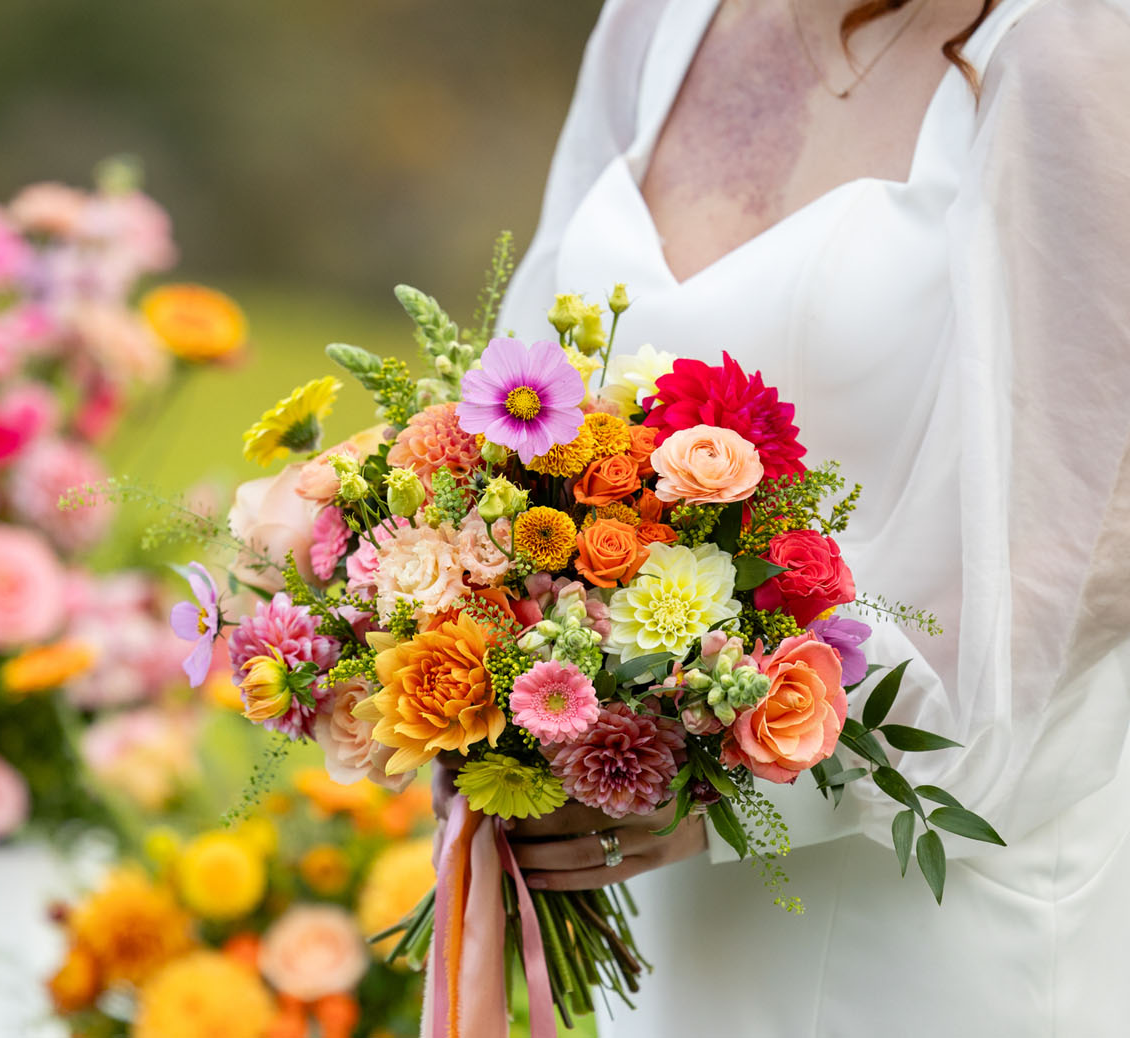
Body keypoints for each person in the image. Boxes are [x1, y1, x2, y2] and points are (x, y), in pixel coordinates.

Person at [453, 0, 1130, 1033]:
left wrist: (737, 774)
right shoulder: (657, 21)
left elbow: (1086, 543)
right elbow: (526, 391)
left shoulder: (1078, 43)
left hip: (924, 896)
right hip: (663, 892)